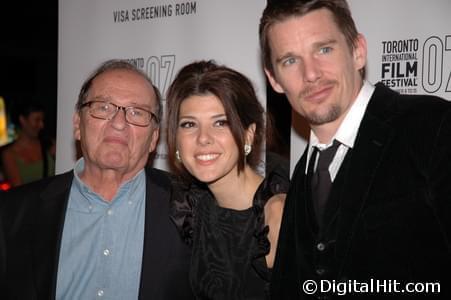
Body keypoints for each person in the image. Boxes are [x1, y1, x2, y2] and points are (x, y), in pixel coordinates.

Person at [260, 1, 451, 299]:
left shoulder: (432, 127)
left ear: (358, 51)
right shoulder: (302, 173)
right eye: (290, 61)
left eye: (324, 49)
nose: (310, 74)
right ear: (274, 80)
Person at [0, 59, 194, 299]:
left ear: (154, 138)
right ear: (77, 125)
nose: (119, 123)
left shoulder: (193, 209)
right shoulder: (13, 213)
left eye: (137, 112)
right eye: (103, 107)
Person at [166, 60, 289, 299]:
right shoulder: (190, 208)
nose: (203, 138)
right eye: (189, 124)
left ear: (248, 135)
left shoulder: (278, 218)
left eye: (220, 123)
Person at [1, 100, 55, 187]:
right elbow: (18, 188)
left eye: (42, 120)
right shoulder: (9, 154)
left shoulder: (49, 145)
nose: (41, 125)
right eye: (37, 120)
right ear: (22, 120)